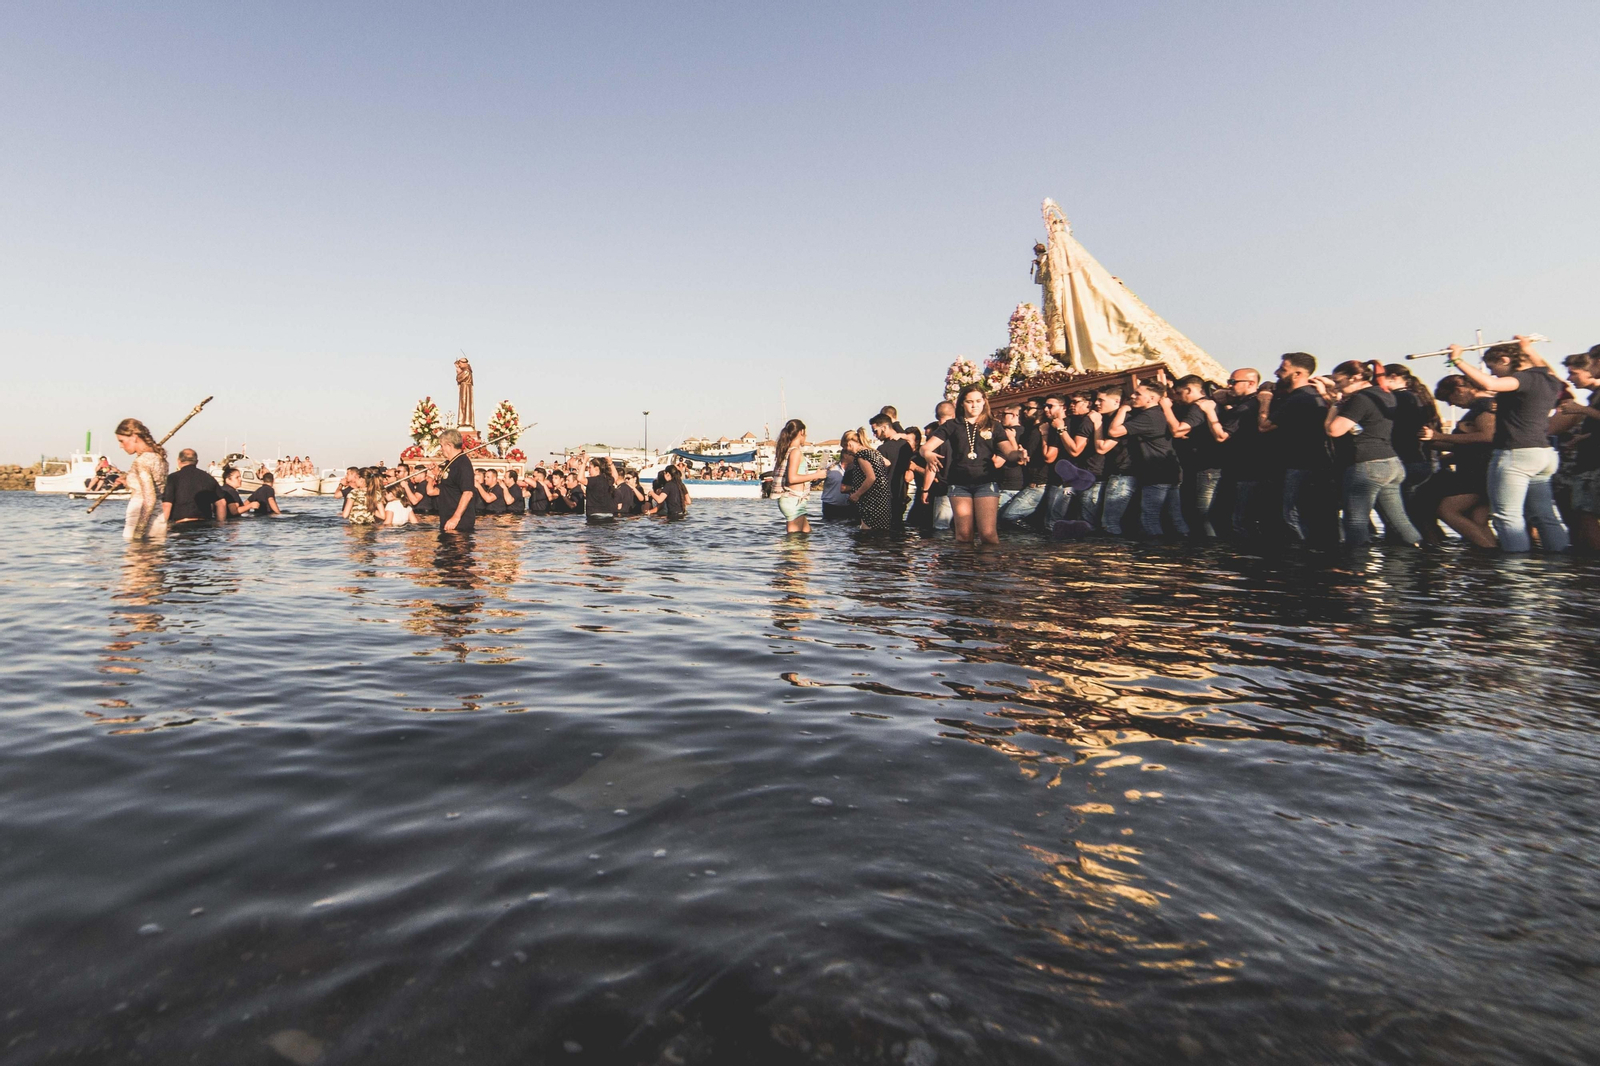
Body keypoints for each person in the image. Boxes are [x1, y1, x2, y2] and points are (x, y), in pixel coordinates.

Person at [1447, 337, 1569, 552]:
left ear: (1505, 360)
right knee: (1545, 516)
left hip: (1516, 454)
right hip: (1544, 454)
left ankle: (1514, 567)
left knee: (1507, 516)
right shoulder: (1550, 379)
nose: (1494, 373)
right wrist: (1527, 348)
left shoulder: (1522, 379)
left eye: (1493, 368)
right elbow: (1542, 366)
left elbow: (1490, 384)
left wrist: (1457, 360)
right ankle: (1559, 562)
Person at [1318, 360, 1421, 547]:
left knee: (1355, 521)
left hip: (1366, 464)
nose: (1337, 386)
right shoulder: (1385, 394)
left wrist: (1335, 406)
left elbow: (1334, 430)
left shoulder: (1361, 399)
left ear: (1355, 377)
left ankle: (1358, 561)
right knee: (1400, 521)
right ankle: (1420, 556)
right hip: (1391, 463)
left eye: (1339, 381)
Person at [1259, 353, 1329, 542]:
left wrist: (1264, 402)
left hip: (1299, 464)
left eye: (1283, 370)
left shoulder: (1299, 398)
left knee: (1292, 514)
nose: (1277, 373)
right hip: (1311, 463)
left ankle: (1302, 553)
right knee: (1307, 514)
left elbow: (1264, 426)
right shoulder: (1312, 396)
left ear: (1298, 374)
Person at [1422, 374, 1497, 548]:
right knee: (1477, 518)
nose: (1451, 405)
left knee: (1447, 510)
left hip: (1479, 472)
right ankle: (1492, 555)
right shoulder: (1486, 405)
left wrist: (1440, 436)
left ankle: (1489, 550)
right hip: (1481, 469)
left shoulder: (1482, 405)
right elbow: (1469, 445)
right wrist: (1434, 443)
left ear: (1459, 390)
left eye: (1449, 399)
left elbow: (1487, 436)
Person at [921, 385, 1002, 545]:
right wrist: (927, 454)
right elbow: (925, 449)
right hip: (958, 483)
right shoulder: (952, 426)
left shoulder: (993, 425)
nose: (974, 405)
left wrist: (1014, 453)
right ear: (962, 404)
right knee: (963, 535)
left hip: (985, 482)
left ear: (984, 402)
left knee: (987, 534)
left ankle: (991, 561)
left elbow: (1006, 451)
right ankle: (965, 561)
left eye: (978, 401)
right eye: (969, 402)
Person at [1111, 379, 1188, 538]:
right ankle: (1185, 546)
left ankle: (1156, 550)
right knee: (1175, 517)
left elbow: (1114, 431)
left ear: (1151, 398)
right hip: (1171, 471)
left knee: (1149, 518)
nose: (1132, 396)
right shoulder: (1160, 413)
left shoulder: (1148, 416)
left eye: (1138, 394)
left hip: (1157, 473)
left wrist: (1123, 409)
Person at [1380, 363, 1442, 529]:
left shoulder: (1398, 398)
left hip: (1406, 458)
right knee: (1419, 510)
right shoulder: (1418, 396)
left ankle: (1409, 541)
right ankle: (1430, 540)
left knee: (1405, 511)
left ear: (1393, 377)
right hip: (1423, 458)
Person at [1555, 348, 1600, 551]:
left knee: (1586, 514)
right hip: (1590, 460)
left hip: (1593, 465)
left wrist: (1580, 409)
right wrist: (1584, 438)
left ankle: (1592, 563)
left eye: (1591, 363)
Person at [1171, 376, 1228, 537]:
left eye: (1179, 393)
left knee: (1203, 515)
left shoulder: (1198, 407)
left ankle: (1210, 548)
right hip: (1208, 466)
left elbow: (1178, 430)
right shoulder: (1210, 404)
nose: (1177, 397)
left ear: (1189, 390)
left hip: (1206, 467)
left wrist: (1166, 409)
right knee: (1204, 514)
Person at [1216, 368, 1264, 537]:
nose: (1229, 386)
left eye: (1233, 382)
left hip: (1245, 469)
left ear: (1251, 383)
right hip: (1249, 468)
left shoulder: (1245, 407)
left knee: (1240, 521)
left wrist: (1210, 412)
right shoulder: (1255, 403)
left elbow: (1222, 436)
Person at [1087, 388, 1135, 534]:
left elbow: (1102, 448)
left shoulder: (1122, 419)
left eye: (1101, 400)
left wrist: (1097, 424)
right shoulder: (1108, 418)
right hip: (1114, 474)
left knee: (1110, 522)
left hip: (1123, 475)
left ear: (1116, 401)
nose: (1096, 403)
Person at [113, 418, 168, 541]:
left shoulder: (142, 461)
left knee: (135, 552)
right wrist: (127, 483)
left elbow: (149, 500)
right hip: (158, 519)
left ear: (134, 437)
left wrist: (138, 533)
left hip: (139, 517)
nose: (121, 446)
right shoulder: (159, 458)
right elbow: (150, 488)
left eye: (122, 441)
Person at [773, 419, 827, 533]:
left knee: (806, 534)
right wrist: (816, 474)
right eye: (805, 434)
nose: (806, 437)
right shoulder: (795, 452)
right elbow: (792, 479)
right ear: (801, 432)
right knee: (795, 539)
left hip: (795, 500)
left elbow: (796, 476)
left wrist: (814, 477)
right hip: (793, 499)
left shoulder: (787, 451)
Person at [841, 427, 893, 532]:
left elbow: (871, 477)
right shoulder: (873, 452)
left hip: (871, 500)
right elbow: (887, 463)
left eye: (845, 447)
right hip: (882, 497)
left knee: (868, 530)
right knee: (881, 530)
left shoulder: (861, 455)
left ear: (849, 444)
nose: (846, 451)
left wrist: (857, 494)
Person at [161, 448, 225, 527]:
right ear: (196, 462)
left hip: (180, 525)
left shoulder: (173, 478)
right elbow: (221, 503)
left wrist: (163, 527)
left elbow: (167, 505)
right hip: (205, 525)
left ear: (178, 461)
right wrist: (220, 524)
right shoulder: (208, 477)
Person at [869, 414, 912, 528]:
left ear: (884, 428)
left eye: (875, 431)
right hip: (901, 494)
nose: (874, 435)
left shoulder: (882, 449)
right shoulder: (906, 446)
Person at [434, 428, 477, 533]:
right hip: (446, 518)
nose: (441, 449)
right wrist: (437, 473)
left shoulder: (463, 464)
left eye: (442, 446)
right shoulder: (450, 462)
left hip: (458, 523)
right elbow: (449, 483)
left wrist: (456, 517)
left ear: (449, 445)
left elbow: (468, 492)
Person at [818, 453, 855, 521]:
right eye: (852, 455)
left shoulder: (855, 469)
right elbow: (815, 481)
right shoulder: (830, 468)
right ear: (845, 455)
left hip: (849, 506)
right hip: (830, 506)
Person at [585, 457, 619, 522]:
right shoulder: (608, 479)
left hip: (594, 514)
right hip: (609, 514)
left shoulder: (592, 480)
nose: (588, 470)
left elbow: (580, 478)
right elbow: (615, 476)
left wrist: (584, 462)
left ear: (596, 468)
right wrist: (610, 463)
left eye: (590, 468)